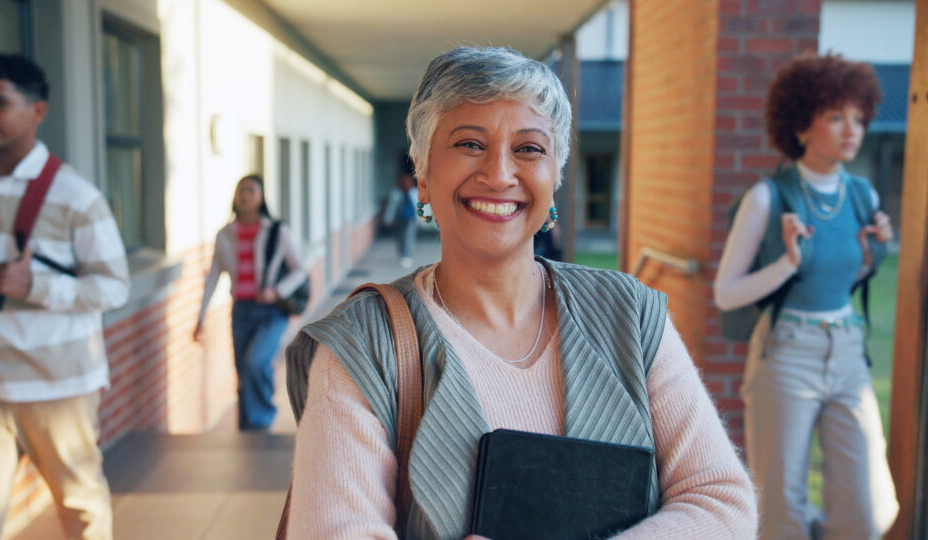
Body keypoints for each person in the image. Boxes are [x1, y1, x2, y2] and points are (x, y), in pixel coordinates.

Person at [283, 46, 757, 539]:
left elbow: (721, 501)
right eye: (469, 143)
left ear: (555, 177)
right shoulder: (364, 344)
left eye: (529, 149)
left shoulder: (628, 314)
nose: (499, 174)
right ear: (423, 175)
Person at [714, 53, 898, 539]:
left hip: (848, 352)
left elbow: (844, 278)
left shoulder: (864, 197)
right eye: (835, 116)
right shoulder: (767, 197)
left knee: (868, 508)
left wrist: (873, 253)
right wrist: (787, 263)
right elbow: (726, 293)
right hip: (786, 354)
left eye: (858, 118)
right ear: (800, 124)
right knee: (781, 509)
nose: (850, 130)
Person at [0, 54, 130, 539]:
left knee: (81, 508)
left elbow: (114, 286)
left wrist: (36, 286)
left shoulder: (76, 197)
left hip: (59, 382)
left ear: (37, 110)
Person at [194, 174, 306, 430]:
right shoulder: (225, 234)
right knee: (243, 371)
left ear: (261, 197)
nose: (245, 195)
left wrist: (276, 291)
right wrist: (200, 316)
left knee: (257, 362)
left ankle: (262, 421)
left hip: (271, 311)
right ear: (236, 196)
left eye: (251, 191)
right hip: (241, 311)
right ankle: (247, 428)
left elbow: (300, 269)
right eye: (241, 190)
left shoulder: (276, 231)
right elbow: (213, 277)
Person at [383, 171, 420, 268]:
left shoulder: (414, 192)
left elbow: (419, 207)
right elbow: (391, 207)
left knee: (408, 237)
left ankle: (406, 256)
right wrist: (388, 219)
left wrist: (420, 218)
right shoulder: (396, 193)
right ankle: (402, 254)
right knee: (400, 238)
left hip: (411, 219)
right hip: (399, 219)